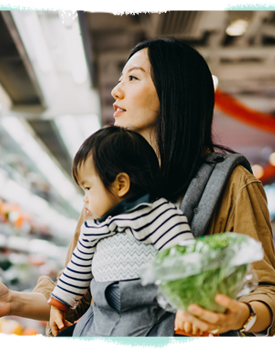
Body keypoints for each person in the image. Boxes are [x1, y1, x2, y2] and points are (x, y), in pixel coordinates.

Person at [0, 37, 275, 337]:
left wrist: (239, 315)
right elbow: (81, 297)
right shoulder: (108, 182)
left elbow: (268, 293)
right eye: (119, 78)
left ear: (173, 92)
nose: (116, 90)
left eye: (133, 77)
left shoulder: (232, 184)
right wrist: (11, 302)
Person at [48, 126, 194, 336]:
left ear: (121, 184)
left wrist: (188, 306)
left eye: (88, 188)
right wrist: (58, 305)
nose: (85, 198)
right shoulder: (93, 228)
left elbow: (186, 261)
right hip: (103, 316)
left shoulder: (158, 215)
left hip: (153, 315)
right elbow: (76, 269)